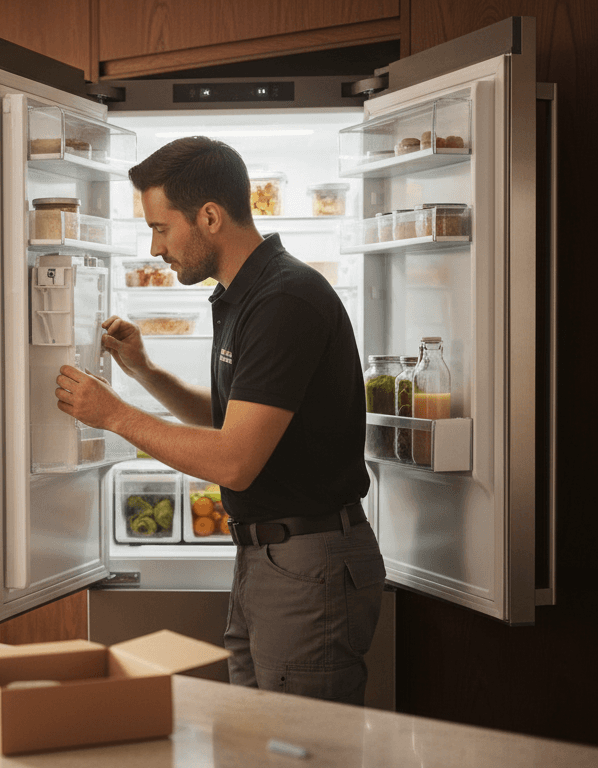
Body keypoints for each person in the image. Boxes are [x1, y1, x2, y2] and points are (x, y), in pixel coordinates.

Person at [54, 136, 385, 705]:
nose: (155, 248)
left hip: (308, 563)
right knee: (260, 746)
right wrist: (144, 371)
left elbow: (234, 460)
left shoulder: (285, 299)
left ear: (209, 216)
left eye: (161, 228)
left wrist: (114, 414)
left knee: (300, 751)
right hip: (269, 559)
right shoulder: (243, 296)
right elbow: (236, 419)